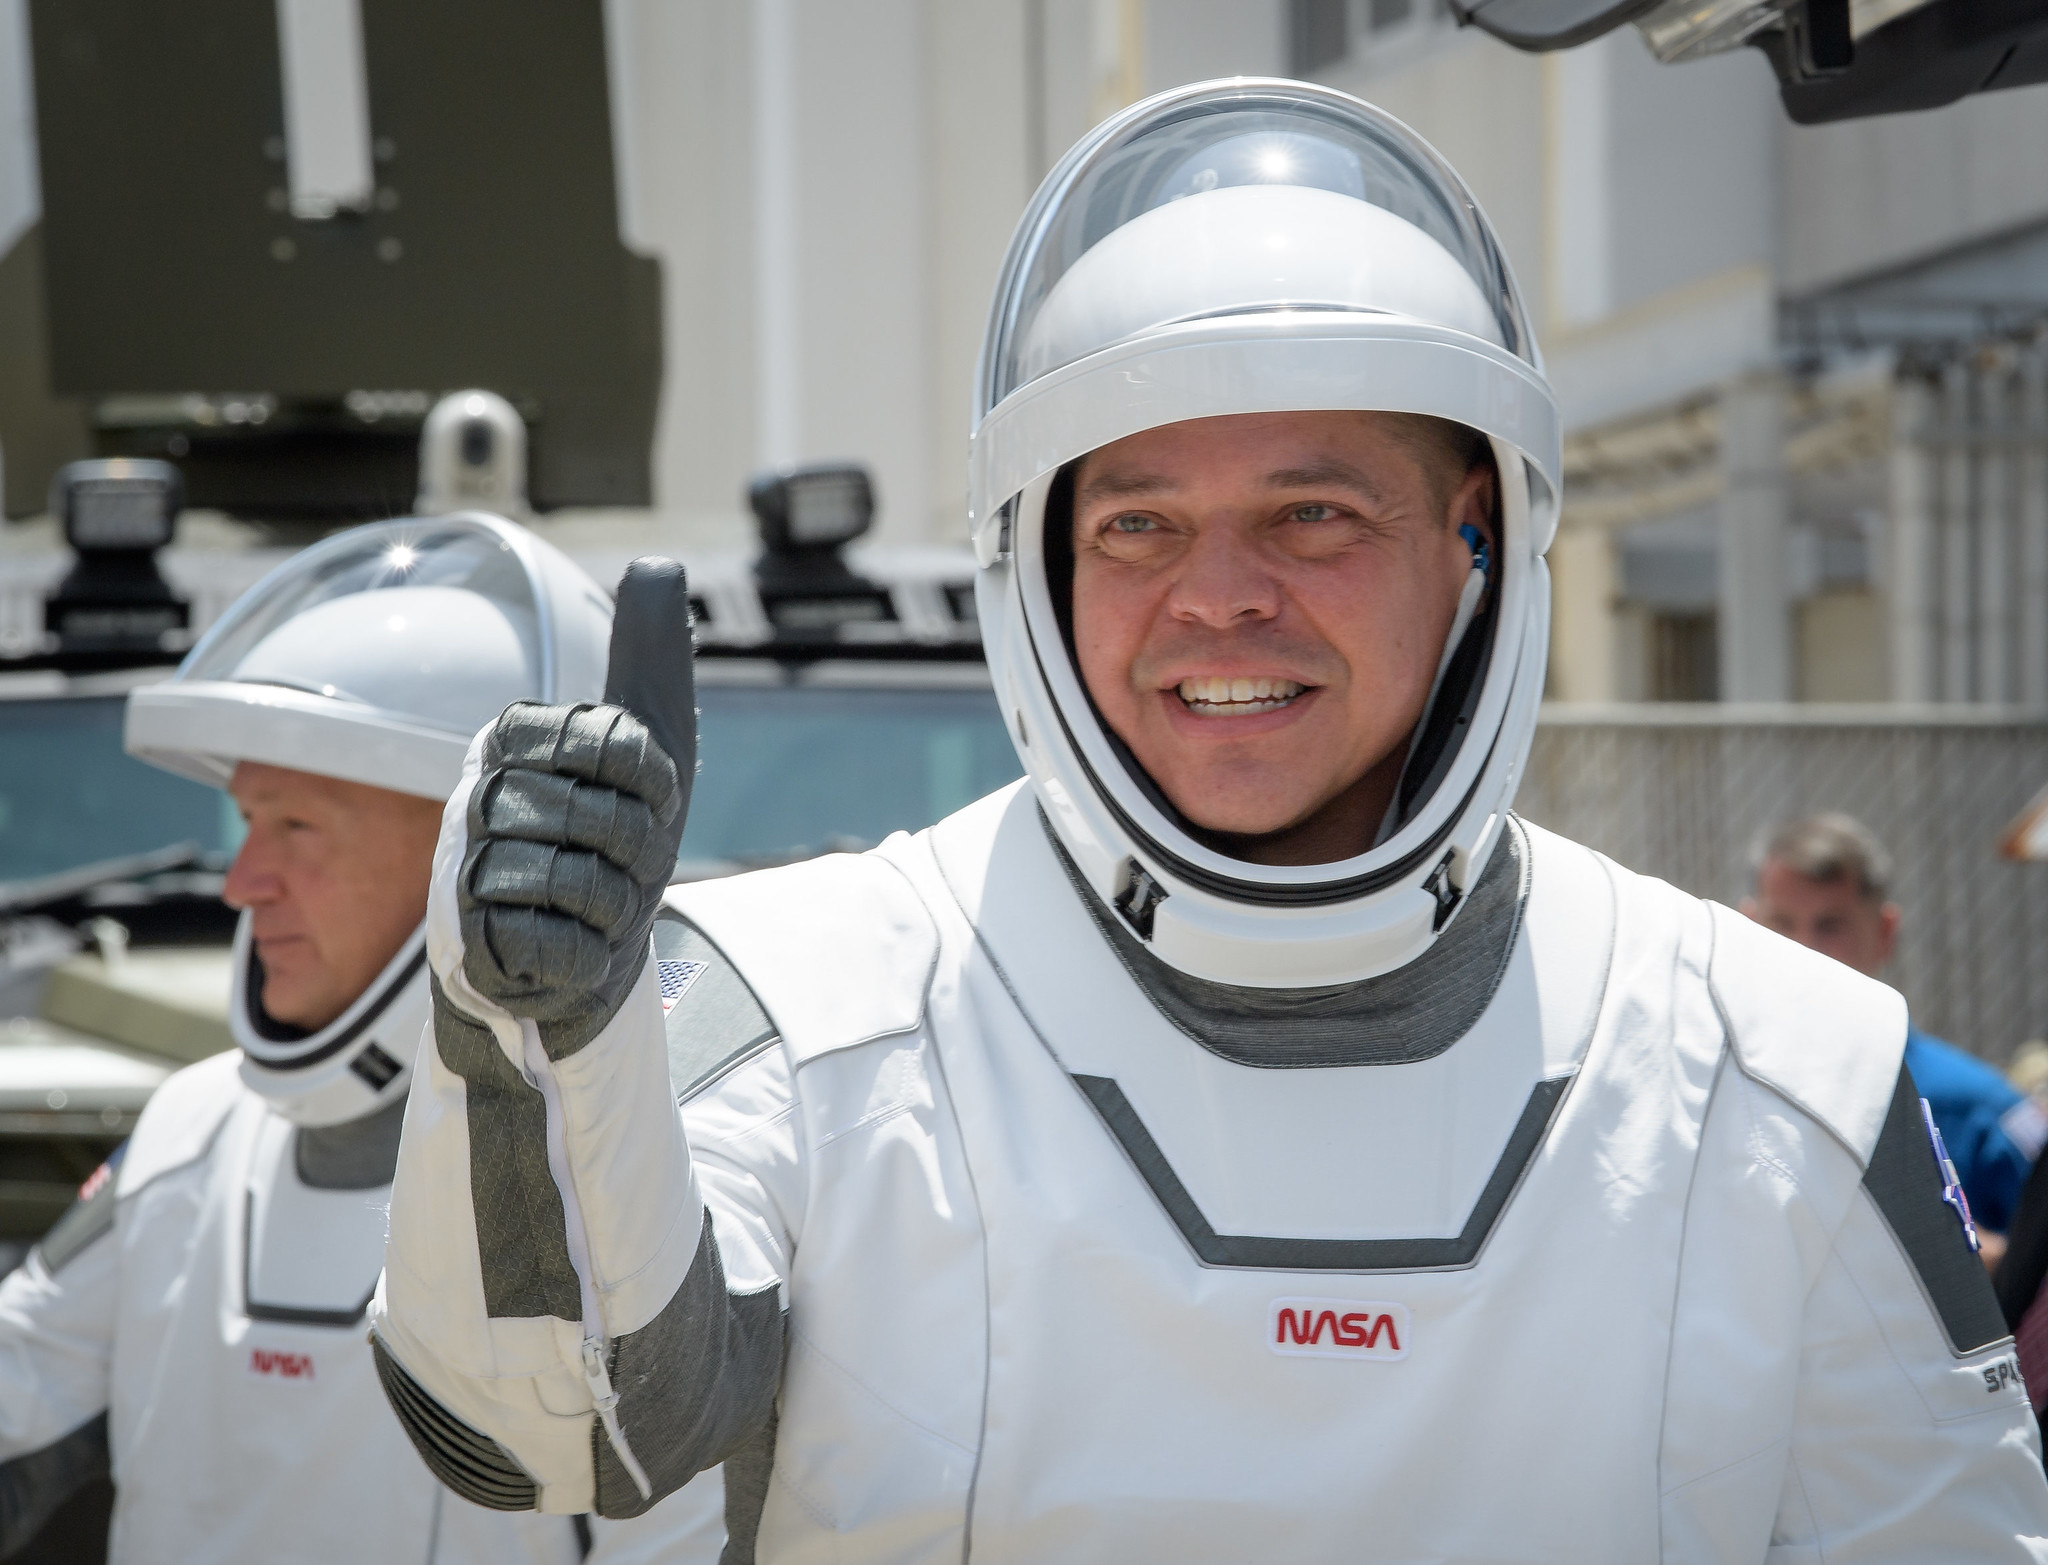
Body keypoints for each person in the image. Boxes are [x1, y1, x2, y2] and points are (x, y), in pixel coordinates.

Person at [370, 82, 2048, 1560]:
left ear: (1479, 536)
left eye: (1312, 513)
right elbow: (544, 1440)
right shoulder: (793, 1002)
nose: (1217, 601)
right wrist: (522, 1050)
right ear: (1037, 561)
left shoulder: (1781, 1068)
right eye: (1140, 523)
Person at [0, 514, 723, 1562]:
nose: (241, 884)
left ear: (469, 853)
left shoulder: (629, 1187)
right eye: (245, 824)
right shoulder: (189, 1131)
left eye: (295, 826)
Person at [1743, 812, 2047, 1266]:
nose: (1801, 948)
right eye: (1782, 923)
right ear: (1744, 930)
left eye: (1830, 926)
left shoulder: (1979, 1112)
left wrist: (1977, 1262)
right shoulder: (1715, 1093)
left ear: (1884, 932)